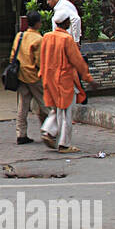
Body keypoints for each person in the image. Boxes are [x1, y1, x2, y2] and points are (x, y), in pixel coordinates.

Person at [39, 9, 95, 153]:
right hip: (64, 81)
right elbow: (78, 61)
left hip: (49, 80)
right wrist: (88, 77)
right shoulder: (67, 39)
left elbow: (42, 59)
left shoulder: (47, 37)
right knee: (65, 113)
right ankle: (64, 144)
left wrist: (42, 74)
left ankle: (48, 131)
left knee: (56, 109)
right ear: (66, 23)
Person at [10, 9, 50, 145]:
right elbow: (40, 61)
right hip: (34, 77)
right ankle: (48, 131)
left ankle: (21, 134)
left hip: (20, 75)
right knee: (44, 105)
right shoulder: (39, 39)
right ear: (38, 23)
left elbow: (13, 55)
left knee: (23, 105)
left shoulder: (20, 36)